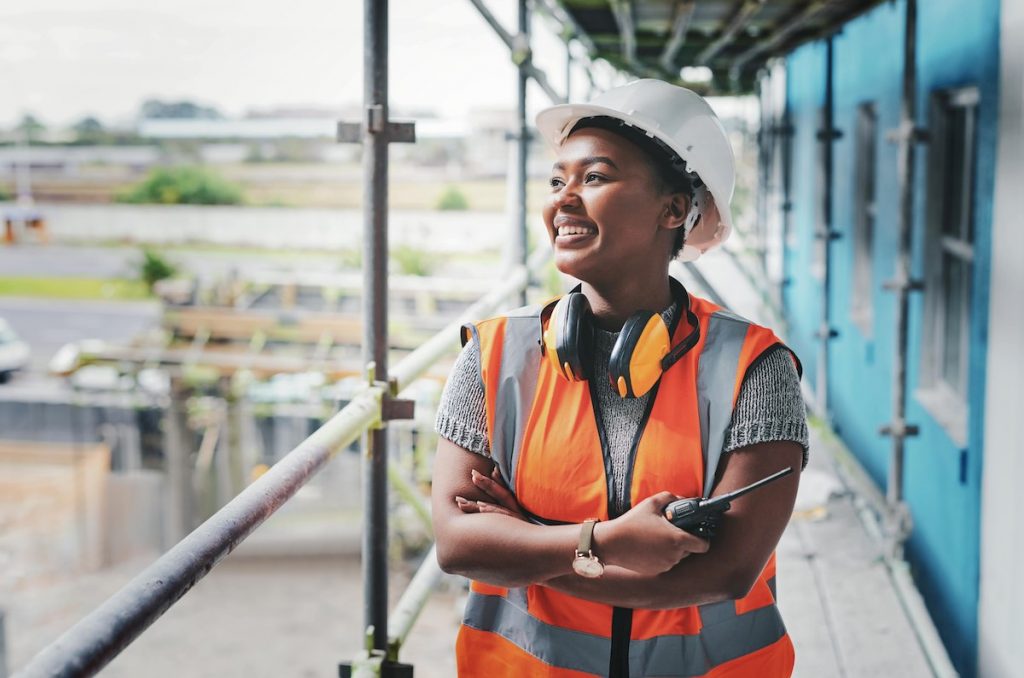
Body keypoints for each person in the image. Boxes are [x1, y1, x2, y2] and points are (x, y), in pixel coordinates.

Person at [431, 79, 808, 677]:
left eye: (596, 177)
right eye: (558, 180)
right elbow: (457, 545)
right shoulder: (493, 356)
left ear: (674, 208)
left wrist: (528, 543)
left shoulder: (755, 369)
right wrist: (604, 543)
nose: (565, 198)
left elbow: (727, 572)